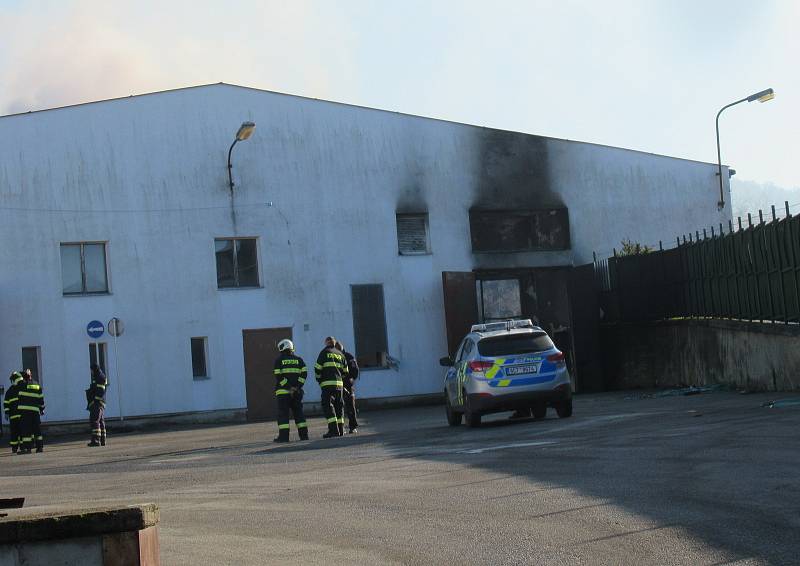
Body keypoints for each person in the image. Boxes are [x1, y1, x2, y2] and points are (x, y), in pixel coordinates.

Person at [272, 339, 309, 443]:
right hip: (297, 393)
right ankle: (304, 436)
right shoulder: (300, 360)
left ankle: (284, 437)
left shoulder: (279, 360)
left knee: (283, 415)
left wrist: (289, 387)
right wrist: (297, 387)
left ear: (283, 347)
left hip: (283, 392)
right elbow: (304, 374)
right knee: (299, 414)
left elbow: (278, 376)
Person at [315, 336, 348, 438]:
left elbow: (317, 369)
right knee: (339, 406)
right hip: (339, 385)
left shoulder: (324, 353)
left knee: (328, 406)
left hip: (327, 385)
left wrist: (319, 380)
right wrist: (339, 379)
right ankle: (341, 430)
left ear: (326, 343)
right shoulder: (340, 354)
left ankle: (333, 430)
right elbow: (346, 372)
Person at [17, 370, 45, 454]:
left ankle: (27, 449)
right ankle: (39, 448)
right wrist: (42, 410)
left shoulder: (21, 385)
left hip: (25, 412)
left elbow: (18, 397)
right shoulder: (37, 385)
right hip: (35, 412)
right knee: (37, 430)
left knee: (26, 430)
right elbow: (41, 399)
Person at [335, 341, 360, 434]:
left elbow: (355, 369)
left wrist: (352, 379)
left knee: (350, 406)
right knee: (338, 407)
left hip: (347, 385)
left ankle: (353, 427)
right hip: (337, 385)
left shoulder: (349, 357)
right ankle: (340, 428)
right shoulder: (334, 357)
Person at [87, 364, 108, 447]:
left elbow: (100, 391)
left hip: (97, 403)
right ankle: (102, 440)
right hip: (99, 402)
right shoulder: (98, 376)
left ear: (94, 369)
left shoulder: (100, 377)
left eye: (91, 370)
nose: (91, 372)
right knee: (100, 421)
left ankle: (96, 440)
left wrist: (95, 400)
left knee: (95, 420)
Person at [3, 372, 24, 453]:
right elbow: (6, 403)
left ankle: (15, 448)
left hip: (14, 416)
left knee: (15, 432)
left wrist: (7, 413)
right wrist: (7, 412)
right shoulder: (23, 388)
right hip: (20, 415)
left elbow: (6, 403)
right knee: (21, 431)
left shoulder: (10, 390)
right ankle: (21, 447)